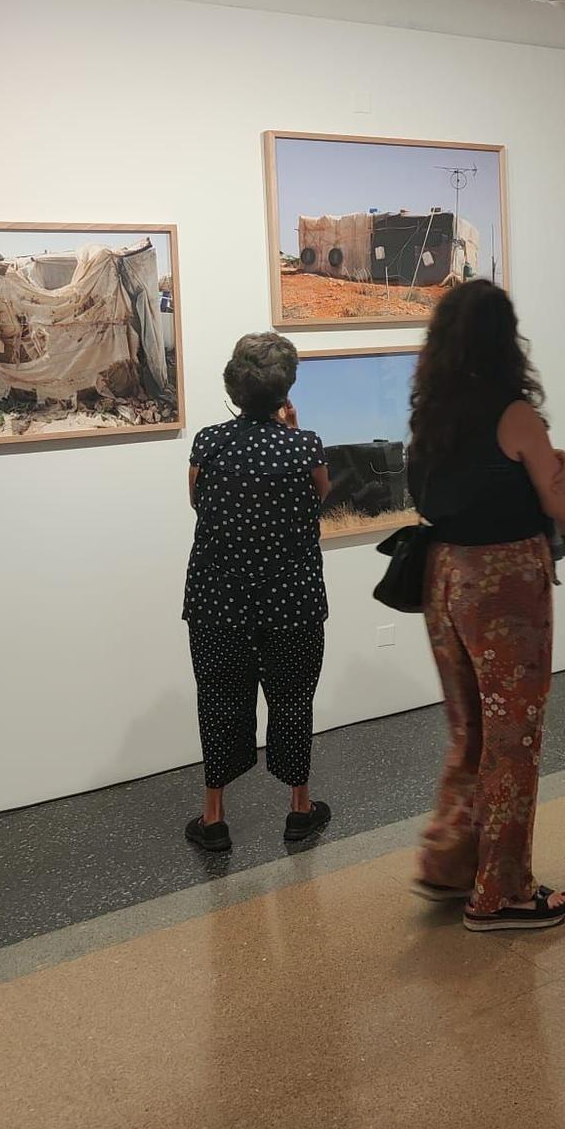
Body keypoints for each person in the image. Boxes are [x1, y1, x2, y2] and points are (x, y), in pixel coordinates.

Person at [407, 281, 565, 931]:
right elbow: (561, 508)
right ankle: (501, 891)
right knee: (513, 739)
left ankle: (451, 862)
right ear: (506, 340)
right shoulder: (515, 416)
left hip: (444, 576)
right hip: (503, 583)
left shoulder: (432, 411)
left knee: (470, 731)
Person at [181, 333, 333, 853]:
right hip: (291, 599)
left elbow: (198, 501)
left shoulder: (208, 443)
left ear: (234, 386)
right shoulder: (305, 446)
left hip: (217, 597)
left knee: (219, 702)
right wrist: (290, 433)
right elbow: (320, 499)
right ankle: (298, 810)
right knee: (293, 702)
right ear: (285, 390)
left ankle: (214, 817)